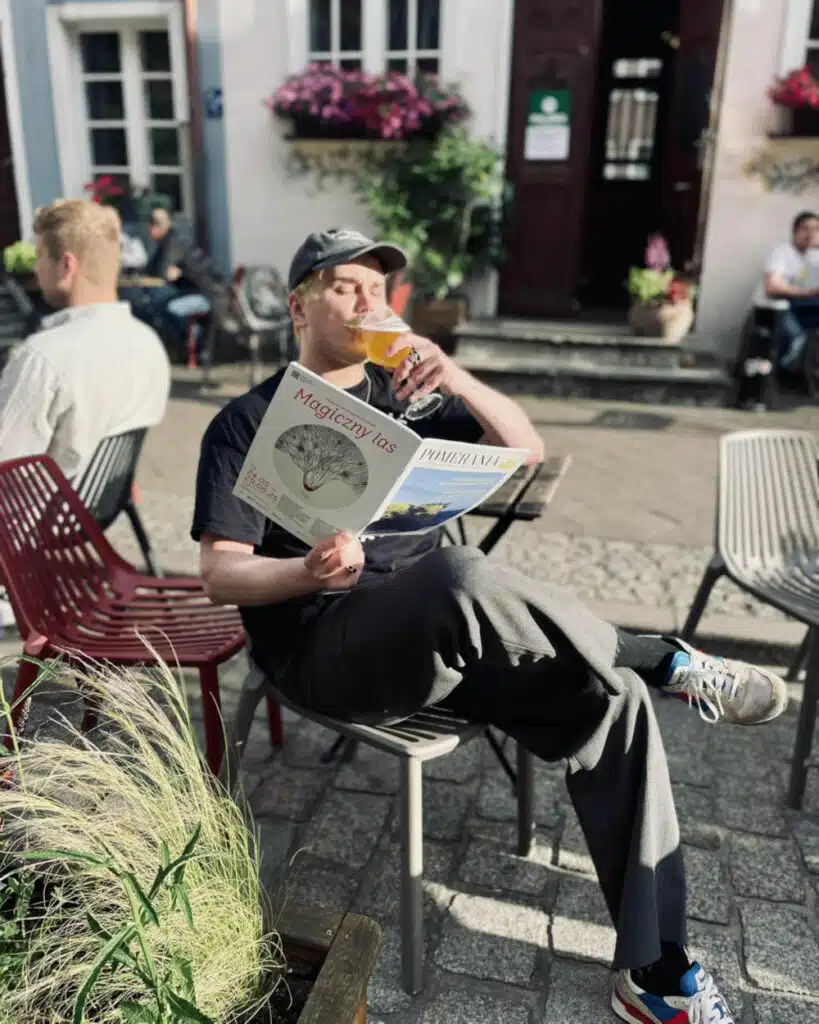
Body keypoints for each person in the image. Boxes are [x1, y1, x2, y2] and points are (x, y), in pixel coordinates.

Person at [192, 227, 788, 1024]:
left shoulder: (406, 396)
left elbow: (525, 447)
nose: (368, 300)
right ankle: (654, 654)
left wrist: (455, 375)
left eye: (378, 287)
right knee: (459, 573)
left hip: (446, 638)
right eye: (344, 285)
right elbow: (219, 573)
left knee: (611, 700)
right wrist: (306, 570)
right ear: (299, 306)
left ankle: (653, 968)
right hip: (324, 649)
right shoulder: (245, 422)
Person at [0, 199, 170, 480]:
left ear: (66, 266)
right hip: (92, 503)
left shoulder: (42, 358)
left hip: (42, 507)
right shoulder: (148, 343)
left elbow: (6, 468)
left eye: (39, 256)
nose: (36, 268)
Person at [140, 206, 211, 352]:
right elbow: (152, 269)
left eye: (153, 224)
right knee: (153, 303)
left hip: (201, 294)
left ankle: (189, 345)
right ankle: (178, 346)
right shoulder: (164, 243)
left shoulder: (173, 242)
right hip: (185, 292)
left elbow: (162, 271)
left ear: (160, 226)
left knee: (165, 308)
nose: (149, 229)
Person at [763, 209, 819, 370]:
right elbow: (772, 287)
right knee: (794, 336)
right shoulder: (782, 252)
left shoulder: (814, 255)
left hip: (805, 306)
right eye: (805, 229)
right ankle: (784, 368)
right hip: (779, 305)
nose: (811, 234)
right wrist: (809, 293)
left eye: (816, 229)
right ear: (795, 231)